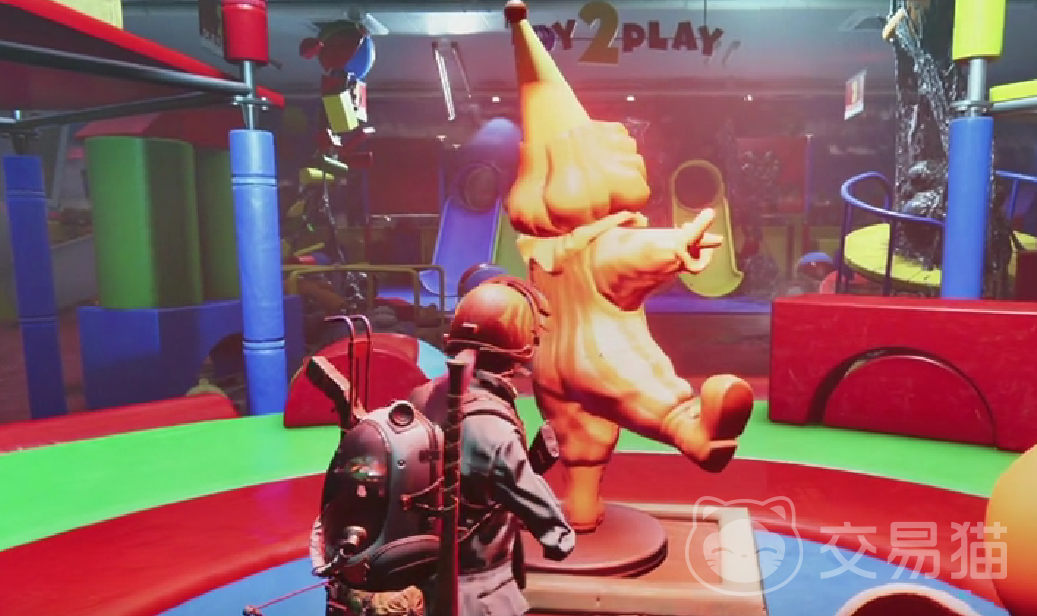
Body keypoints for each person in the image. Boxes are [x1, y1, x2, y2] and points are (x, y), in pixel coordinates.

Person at [408, 276, 575, 616]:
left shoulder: (421, 396)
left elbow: (469, 477)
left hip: (421, 576)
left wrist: (527, 462)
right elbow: (553, 530)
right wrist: (560, 535)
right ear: (520, 347)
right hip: (475, 589)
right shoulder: (492, 428)